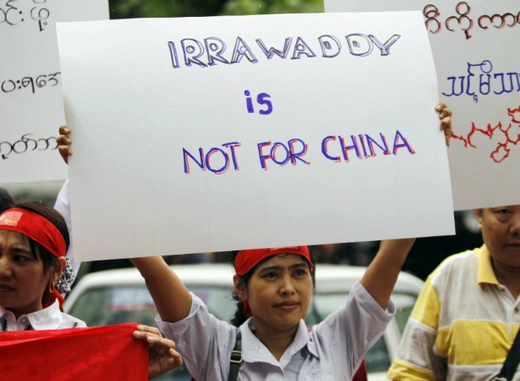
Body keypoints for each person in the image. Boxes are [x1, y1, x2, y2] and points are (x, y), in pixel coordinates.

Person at [56, 103, 453, 380]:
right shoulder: (212, 345)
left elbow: (396, 247)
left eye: (299, 273)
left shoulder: (339, 340)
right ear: (240, 287)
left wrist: (427, 146)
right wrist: (92, 164)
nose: (288, 287)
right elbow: (146, 258)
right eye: (271, 275)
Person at [0, 201, 182, 379]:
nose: (3, 270)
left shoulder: (80, 342)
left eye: (20, 258)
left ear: (55, 269)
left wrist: (127, 370)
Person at [387, 205, 520, 380]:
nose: (517, 226)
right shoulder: (451, 276)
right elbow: (410, 373)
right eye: (504, 212)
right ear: (479, 215)